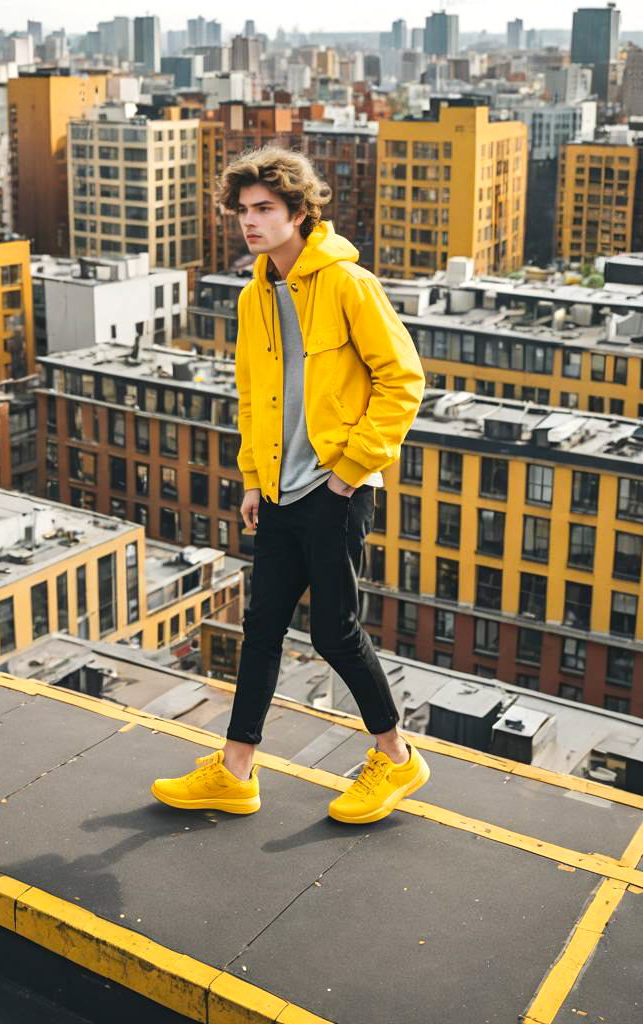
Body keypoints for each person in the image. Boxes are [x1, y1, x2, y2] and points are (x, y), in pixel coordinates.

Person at [151, 146, 429, 824]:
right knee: (263, 628)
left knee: (334, 633)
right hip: (277, 493)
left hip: (334, 491)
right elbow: (252, 397)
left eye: (264, 209)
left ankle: (396, 758)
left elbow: (404, 382)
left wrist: (347, 473)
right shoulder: (254, 297)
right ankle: (237, 770)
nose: (249, 222)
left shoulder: (347, 284)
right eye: (242, 211)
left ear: (300, 213)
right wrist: (252, 479)